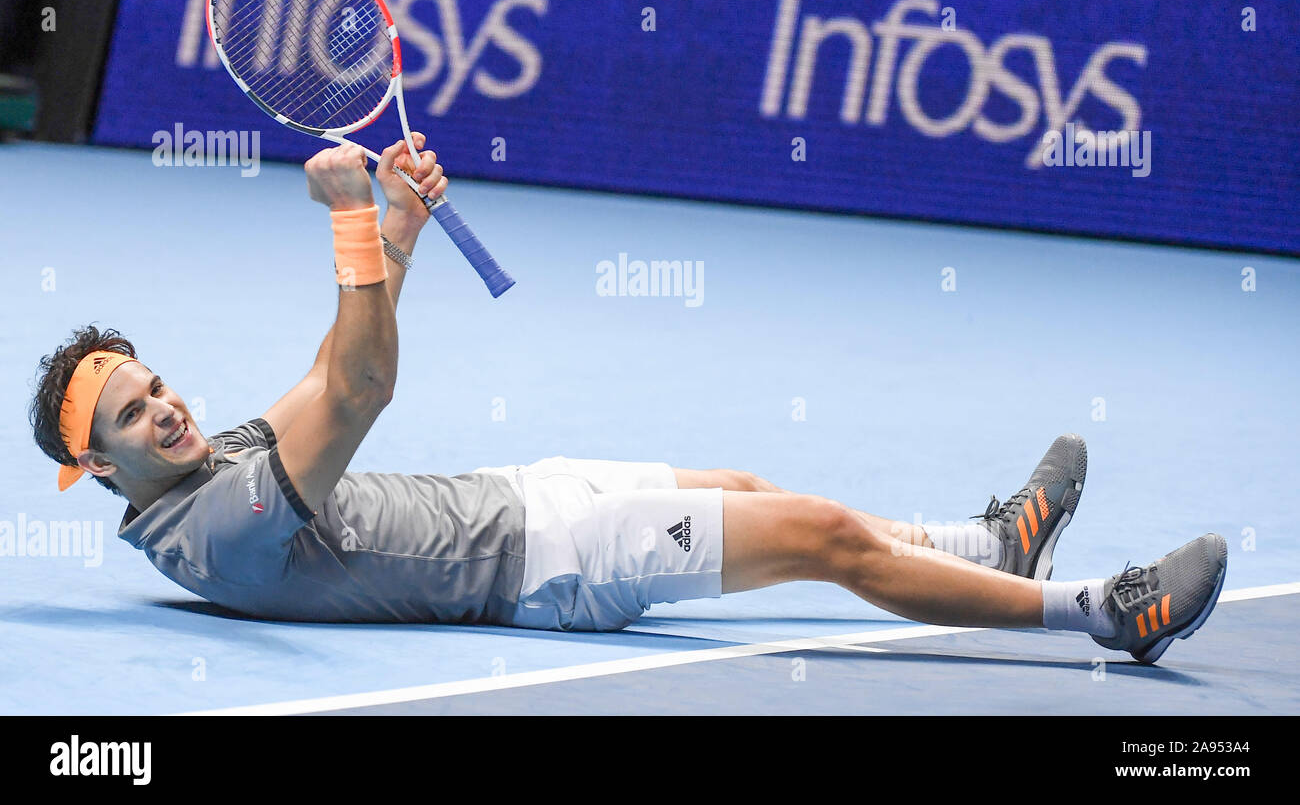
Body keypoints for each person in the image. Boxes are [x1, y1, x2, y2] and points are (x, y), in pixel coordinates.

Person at [29, 137, 1226, 664]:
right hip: (547, 563)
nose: (168, 409)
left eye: (158, 384)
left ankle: (992, 542)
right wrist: (349, 218)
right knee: (822, 540)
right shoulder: (221, 533)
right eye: (135, 416)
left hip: (520, 497)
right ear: (95, 471)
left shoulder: (189, 481)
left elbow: (319, 378)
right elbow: (362, 385)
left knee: (762, 492)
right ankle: (1101, 612)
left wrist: (392, 231)